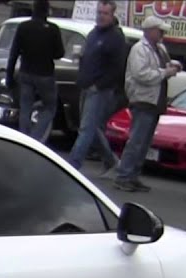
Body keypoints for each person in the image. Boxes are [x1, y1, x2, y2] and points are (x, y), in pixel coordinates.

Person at [113, 15, 180, 192]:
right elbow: (141, 74)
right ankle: (123, 175)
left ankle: (133, 175)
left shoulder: (159, 48)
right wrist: (165, 72)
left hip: (155, 100)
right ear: (150, 31)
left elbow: (165, 64)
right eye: (160, 30)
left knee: (145, 142)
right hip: (143, 99)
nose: (162, 33)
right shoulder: (139, 49)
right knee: (136, 140)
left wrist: (173, 65)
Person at [65, 0, 127, 174]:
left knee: (86, 128)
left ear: (112, 15)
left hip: (100, 89)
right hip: (85, 85)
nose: (101, 16)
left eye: (105, 13)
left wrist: (99, 85)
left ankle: (73, 165)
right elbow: (88, 58)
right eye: (99, 12)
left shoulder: (115, 37)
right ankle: (110, 160)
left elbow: (117, 68)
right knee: (92, 127)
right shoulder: (93, 33)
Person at [5, 0, 64, 142]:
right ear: (47, 11)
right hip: (45, 73)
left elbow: (14, 53)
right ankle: (36, 137)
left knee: (25, 107)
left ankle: (24, 138)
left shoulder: (23, 27)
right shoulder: (52, 29)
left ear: (33, 9)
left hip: (25, 72)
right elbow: (59, 53)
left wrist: (9, 75)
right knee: (50, 107)